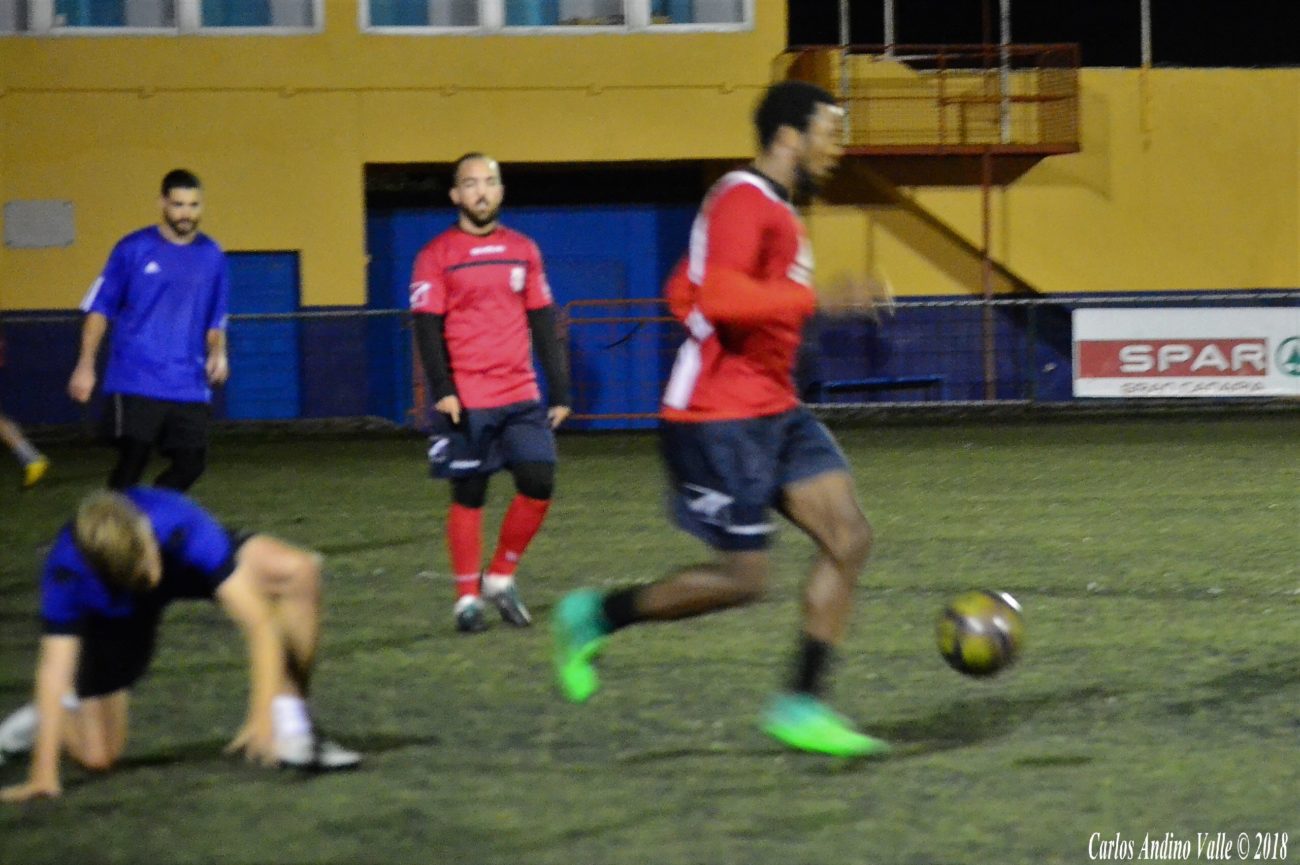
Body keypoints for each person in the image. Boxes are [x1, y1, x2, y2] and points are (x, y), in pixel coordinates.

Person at [552, 81, 891, 758]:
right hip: (718, 418)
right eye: (830, 130)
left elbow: (686, 287)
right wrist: (819, 300)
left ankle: (801, 704)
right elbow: (722, 297)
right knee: (744, 581)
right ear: (789, 136)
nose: (837, 146)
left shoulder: (769, 208)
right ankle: (596, 615)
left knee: (849, 536)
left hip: (776, 407)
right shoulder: (742, 197)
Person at [0, 487, 359, 802]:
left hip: (183, 564)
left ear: (145, 529)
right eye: (140, 571)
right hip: (124, 606)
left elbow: (260, 623)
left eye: (147, 558)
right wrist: (43, 776)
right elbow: (54, 668)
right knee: (99, 758)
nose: (152, 574)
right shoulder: (68, 571)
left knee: (299, 570)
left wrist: (262, 715)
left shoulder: (178, 521)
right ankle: (52, 712)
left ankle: (292, 726)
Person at [409, 153, 571, 634]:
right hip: (467, 395)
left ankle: (499, 576)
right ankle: (466, 599)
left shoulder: (524, 249)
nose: (481, 191)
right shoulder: (435, 254)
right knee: (470, 492)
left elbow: (542, 318)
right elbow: (426, 325)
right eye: (470, 183)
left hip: (519, 392)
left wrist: (560, 389)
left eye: (489, 182)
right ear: (455, 195)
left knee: (539, 480)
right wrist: (443, 388)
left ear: (500, 191)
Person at [67, 168, 229, 492]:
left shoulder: (213, 256)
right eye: (178, 205)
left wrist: (218, 352)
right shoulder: (133, 249)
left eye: (194, 205)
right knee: (132, 461)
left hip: (188, 382)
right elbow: (100, 309)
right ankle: (109, 523)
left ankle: (147, 517)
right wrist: (85, 365)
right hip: (136, 377)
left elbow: (216, 319)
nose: (186, 214)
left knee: (191, 465)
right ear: (162, 204)